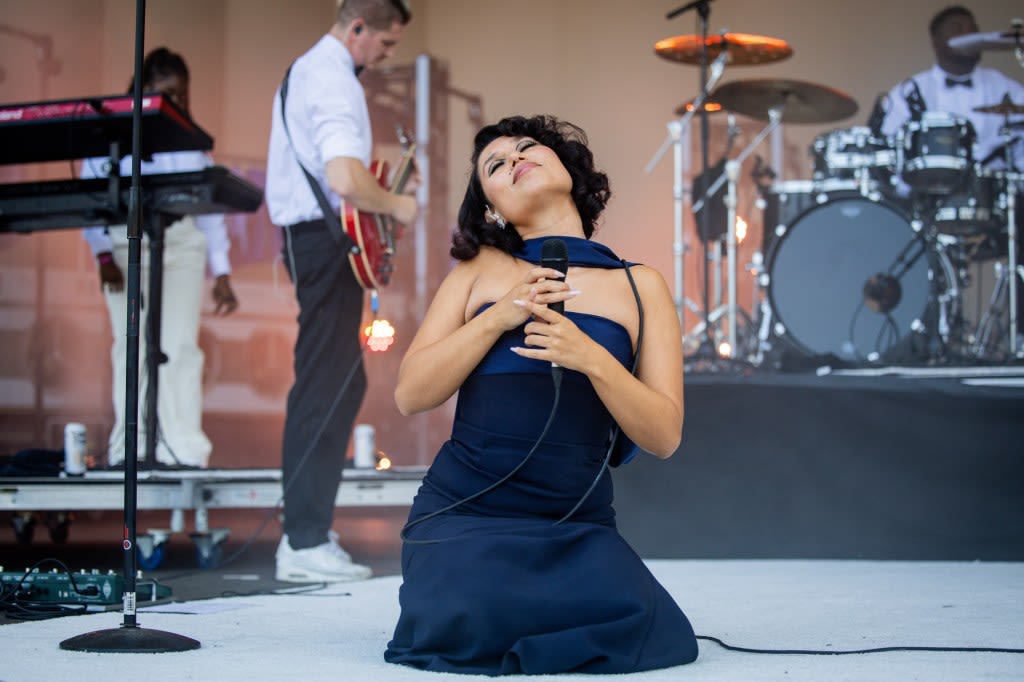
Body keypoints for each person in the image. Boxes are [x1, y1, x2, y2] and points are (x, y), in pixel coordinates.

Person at [384, 115, 698, 675]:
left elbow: (664, 435)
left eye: (527, 149)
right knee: (466, 609)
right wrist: (498, 317)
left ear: (569, 173)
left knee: (647, 626)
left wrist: (591, 359)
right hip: (466, 510)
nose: (514, 160)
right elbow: (411, 394)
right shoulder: (478, 271)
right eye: (495, 166)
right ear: (493, 207)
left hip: (572, 518)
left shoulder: (639, 284)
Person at [265, 0, 417, 583]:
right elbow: (343, 179)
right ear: (357, 28)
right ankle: (302, 543)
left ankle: (308, 534)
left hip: (319, 242)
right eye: (385, 42)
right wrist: (400, 204)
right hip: (322, 244)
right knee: (324, 382)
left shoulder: (319, 72)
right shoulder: (328, 77)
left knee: (340, 378)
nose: (387, 54)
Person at [82, 46, 238, 469]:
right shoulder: (112, 135)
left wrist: (222, 272)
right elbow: (88, 201)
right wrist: (102, 257)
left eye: (184, 95)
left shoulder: (191, 140)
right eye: (169, 94)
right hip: (124, 246)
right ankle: (129, 447)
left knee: (180, 347)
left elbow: (209, 211)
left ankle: (182, 447)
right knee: (130, 346)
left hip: (182, 247)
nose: (180, 103)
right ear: (144, 89)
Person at [878, 5, 1024, 352]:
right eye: (959, 28)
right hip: (928, 202)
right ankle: (920, 339)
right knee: (892, 228)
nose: (969, 34)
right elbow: (889, 148)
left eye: (973, 28)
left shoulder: (1007, 89)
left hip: (994, 200)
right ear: (937, 41)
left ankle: (1018, 336)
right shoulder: (911, 91)